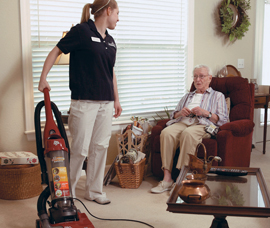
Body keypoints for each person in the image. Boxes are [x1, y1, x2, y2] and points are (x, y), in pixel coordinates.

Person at [38, 0, 122, 205]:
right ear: (108, 10)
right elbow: (56, 50)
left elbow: (110, 72)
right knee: (79, 149)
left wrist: (117, 99)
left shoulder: (110, 41)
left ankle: (94, 190)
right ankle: (68, 193)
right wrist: (43, 77)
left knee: (100, 146)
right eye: (118, 13)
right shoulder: (82, 31)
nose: (119, 18)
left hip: (106, 102)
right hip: (84, 102)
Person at [151, 65, 229, 194]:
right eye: (195, 76)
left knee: (188, 134)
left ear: (210, 78)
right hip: (183, 122)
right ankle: (167, 179)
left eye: (202, 76)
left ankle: (181, 180)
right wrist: (180, 113)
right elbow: (173, 115)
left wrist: (206, 113)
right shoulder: (187, 96)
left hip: (202, 124)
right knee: (166, 133)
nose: (198, 79)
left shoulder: (218, 96)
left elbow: (223, 120)